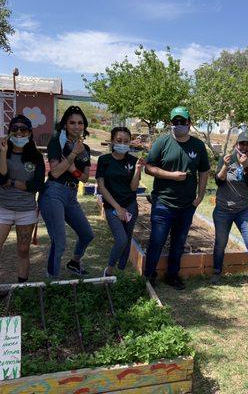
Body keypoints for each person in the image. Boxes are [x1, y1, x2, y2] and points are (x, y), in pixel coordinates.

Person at [144, 106, 210, 289]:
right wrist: (170, 175)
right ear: (170, 123)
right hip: (163, 202)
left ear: (189, 123)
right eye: (175, 122)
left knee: (178, 242)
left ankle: (172, 275)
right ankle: (149, 275)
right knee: (157, 240)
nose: (178, 125)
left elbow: (204, 171)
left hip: (187, 205)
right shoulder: (162, 142)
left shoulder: (198, 145)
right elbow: (148, 167)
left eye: (182, 121)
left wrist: (201, 196)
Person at [0, 115, 45, 287]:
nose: (19, 132)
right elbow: (0, 178)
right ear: (9, 131)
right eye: (15, 129)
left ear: (30, 133)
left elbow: (37, 184)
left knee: (23, 251)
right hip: (2, 209)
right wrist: (4, 154)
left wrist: (12, 182)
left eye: (23, 129)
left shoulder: (36, 157)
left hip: (26, 210)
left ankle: (21, 289)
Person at [39, 105, 94, 279]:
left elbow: (85, 178)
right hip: (54, 193)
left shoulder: (85, 149)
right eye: (72, 123)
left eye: (80, 123)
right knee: (60, 241)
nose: (76, 127)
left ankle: (74, 262)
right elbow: (55, 172)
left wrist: (71, 169)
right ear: (65, 125)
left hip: (71, 194)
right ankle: (51, 280)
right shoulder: (57, 142)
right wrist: (72, 156)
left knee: (87, 234)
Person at [211, 131, 248, 284]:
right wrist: (225, 166)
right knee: (220, 243)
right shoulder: (227, 158)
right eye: (242, 143)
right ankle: (217, 271)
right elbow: (218, 181)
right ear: (237, 144)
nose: (244, 147)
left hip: (242, 210)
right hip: (223, 210)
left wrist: (246, 167)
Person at [96, 127, 144, 277]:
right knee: (121, 239)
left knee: (128, 237)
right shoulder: (104, 160)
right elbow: (101, 186)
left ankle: (122, 269)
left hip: (130, 205)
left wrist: (137, 170)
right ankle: (109, 270)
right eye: (119, 140)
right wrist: (117, 207)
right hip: (112, 206)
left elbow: (133, 187)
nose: (122, 144)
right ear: (112, 141)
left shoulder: (133, 160)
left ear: (130, 142)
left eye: (126, 141)